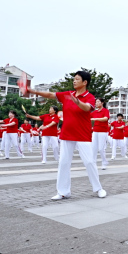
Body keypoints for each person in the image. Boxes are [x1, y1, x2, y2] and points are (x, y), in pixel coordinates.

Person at [25, 70, 106, 200]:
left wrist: (77, 102)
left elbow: (87, 108)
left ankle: (98, 189)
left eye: (77, 79)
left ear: (85, 82)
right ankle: (63, 191)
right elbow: (50, 94)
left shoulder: (89, 97)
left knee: (89, 162)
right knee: (63, 163)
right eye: (74, 79)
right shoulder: (67, 94)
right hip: (66, 134)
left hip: (82, 134)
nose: (74, 81)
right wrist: (33, 91)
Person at [91, 98, 110, 170]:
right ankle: (93, 163)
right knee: (94, 148)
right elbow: (86, 116)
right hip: (95, 131)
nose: (96, 103)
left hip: (103, 131)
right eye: (96, 102)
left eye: (98, 102)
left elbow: (105, 119)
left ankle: (104, 162)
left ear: (102, 103)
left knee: (101, 149)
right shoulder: (95, 112)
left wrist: (95, 119)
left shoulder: (106, 111)